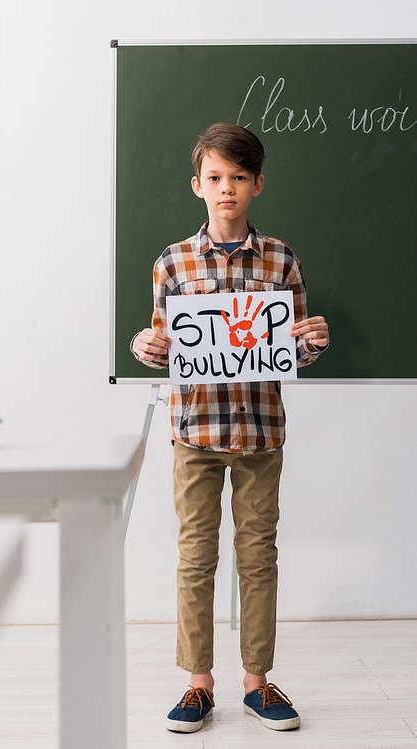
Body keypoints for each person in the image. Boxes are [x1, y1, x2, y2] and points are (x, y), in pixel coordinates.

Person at [131, 122, 329, 734]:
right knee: (195, 559)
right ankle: (197, 684)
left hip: (260, 432)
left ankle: (257, 681)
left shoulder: (281, 259)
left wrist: (314, 342)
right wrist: (145, 345)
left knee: (258, 558)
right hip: (194, 432)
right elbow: (162, 341)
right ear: (198, 185)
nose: (227, 188)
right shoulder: (173, 262)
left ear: (257, 185)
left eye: (238, 178)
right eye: (215, 178)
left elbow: (292, 348)